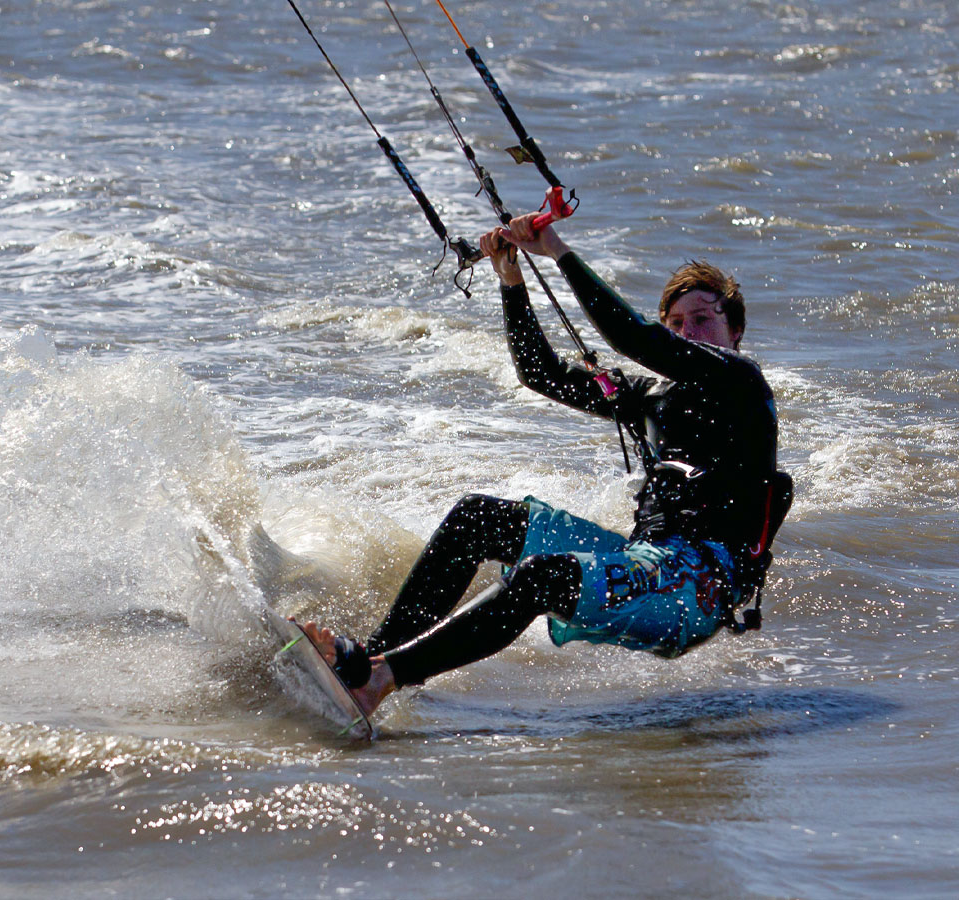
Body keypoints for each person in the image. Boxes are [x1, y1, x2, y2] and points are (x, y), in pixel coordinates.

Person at [297, 214, 792, 718]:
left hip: (699, 585)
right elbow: (540, 372)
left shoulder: (743, 384)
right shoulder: (650, 397)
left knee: (537, 578)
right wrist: (512, 279)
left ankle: (380, 677)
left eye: (702, 320)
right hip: (647, 558)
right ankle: (369, 666)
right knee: (477, 519)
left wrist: (555, 248)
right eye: (676, 324)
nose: (688, 332)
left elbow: (633, 338)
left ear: (735, 332)